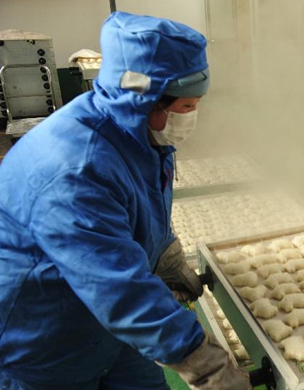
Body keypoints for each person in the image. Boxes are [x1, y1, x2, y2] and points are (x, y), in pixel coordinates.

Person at [0, 12, 250, 390]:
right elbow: (121, 291)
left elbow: (142, 208)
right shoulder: (76, 169)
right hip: (45, 340)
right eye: (186, 106)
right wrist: (209, 367)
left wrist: (165, 256)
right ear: (146, 100)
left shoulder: (143, 137)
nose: (193, 116)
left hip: (112, 330)